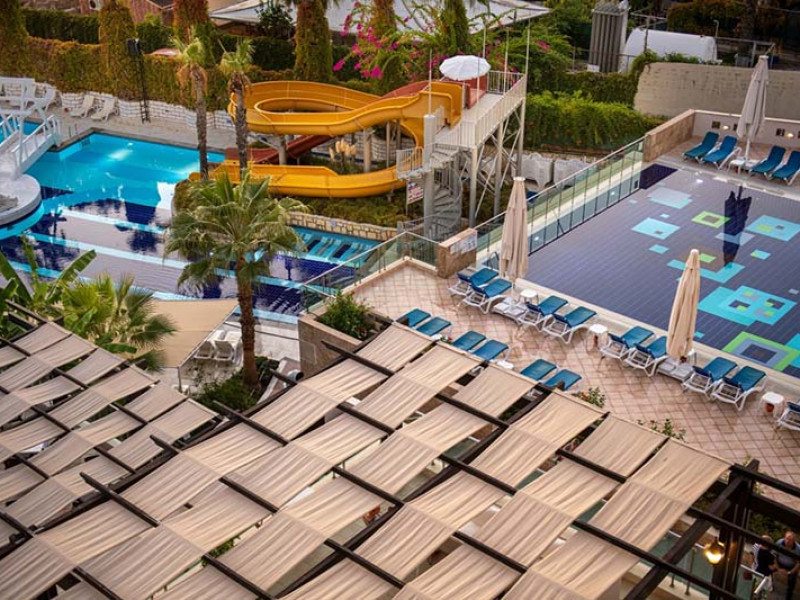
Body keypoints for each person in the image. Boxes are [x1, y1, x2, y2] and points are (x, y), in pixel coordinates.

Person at [776, 531, 800, 599]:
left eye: (790, 540)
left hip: (791, 567)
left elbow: (798, 564)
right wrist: (778, 569)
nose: (787, 541)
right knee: (769, 567)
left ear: (794, 541)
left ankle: (788, 597)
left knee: (792, 579)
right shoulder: (779, 542)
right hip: (779, 564)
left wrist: (790, 572)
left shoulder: (798, 549)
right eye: (786, 539)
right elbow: (774, 556)